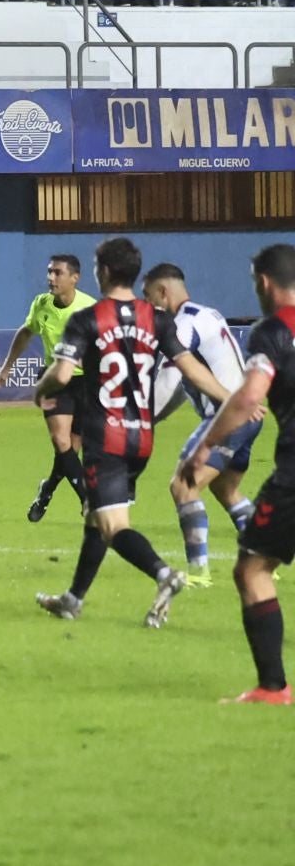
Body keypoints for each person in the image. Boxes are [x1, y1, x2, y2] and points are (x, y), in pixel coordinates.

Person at [33, 238, 228, 626]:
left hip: (106, 435)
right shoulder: (156, 318)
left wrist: (40, 390)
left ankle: (163, 574)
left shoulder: (87, 319)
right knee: (96, 515)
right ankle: (73, 599)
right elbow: (190, 368)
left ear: (101, 271)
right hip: (142, 437)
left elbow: (63, 374)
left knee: (113, 526)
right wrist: (231, 398)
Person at [182, 244, 295, 703]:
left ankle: (273, 688)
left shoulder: (272, 331)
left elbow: (250, 398)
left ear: (264, 282)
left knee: (252, 569)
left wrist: (207, 443)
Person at [144, 264, 261, 588]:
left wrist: (140, 420)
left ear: (163, 292)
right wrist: (155, 417)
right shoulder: (207, 314)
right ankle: (267, 559)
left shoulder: (182, 325)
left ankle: (199, 573)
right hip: (248, 416)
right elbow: (186, 382)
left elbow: (169, 380)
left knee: (183, 486)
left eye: (148, 295)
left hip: (228, 418)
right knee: (227, 490)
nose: (147, 304)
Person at [0, 255, 95, 522]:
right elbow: (26, 332)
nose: (51, 278)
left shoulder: (90, 309)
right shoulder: (41, 304)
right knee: (61, 441)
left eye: (57, 273)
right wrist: (7, 368)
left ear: (74, 278)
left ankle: (47, 489)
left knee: (70, 451)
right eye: (49, 272)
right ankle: (87, 498)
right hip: (53, 380)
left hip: (86, 382)